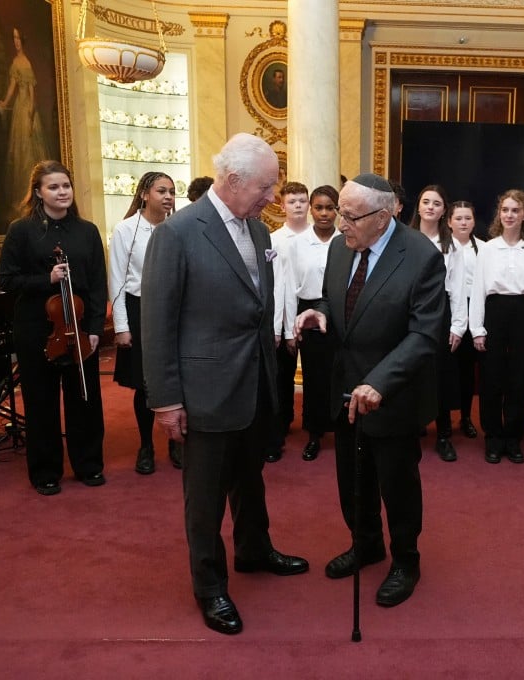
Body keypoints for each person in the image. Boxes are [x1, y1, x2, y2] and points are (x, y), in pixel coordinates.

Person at [141, 133, 308, 636]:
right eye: (265, 186)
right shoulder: (178, 233)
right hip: (203, 390)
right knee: (206, 495)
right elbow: (157, 321)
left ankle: (254, 549)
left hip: (254, 382)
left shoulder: (257, 231)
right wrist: (166, 400)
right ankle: (209, 585)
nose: (272, 197)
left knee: (250, 476)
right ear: (232, 180)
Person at [294, 173, 445, 608]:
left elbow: (424, 335)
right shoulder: (341, 248)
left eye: (350, 216)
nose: (340, 223)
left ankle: (405, 559)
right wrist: (318, 313)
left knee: (396, 483)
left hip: (393, 393)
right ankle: (366, 544)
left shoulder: (421, 256)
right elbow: (334, 299)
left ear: (383, 217)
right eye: (340, 212)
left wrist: (379, 381)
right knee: (352, 477)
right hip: (345, 389)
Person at [0, 161, 107, 496]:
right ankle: (45, 472)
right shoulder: (21, 230)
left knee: (84, 399)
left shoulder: (86, 231)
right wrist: (46, 279)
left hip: (78, 325)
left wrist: (94, 327)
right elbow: (7, 279)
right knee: (41, 401)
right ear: (38, 193)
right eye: (54, 187)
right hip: (35, 328)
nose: (62, 193)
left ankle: (89, 465)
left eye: (66, 186)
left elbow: (98, 285)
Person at [469, 189, 524, 464]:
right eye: (505, 210)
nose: (510, 215)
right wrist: (477, 329)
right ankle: (492, 437)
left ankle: (513, 437)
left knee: (519, 378)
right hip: (494, 312)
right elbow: (478, 289)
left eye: (515, 210)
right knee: (491, 378)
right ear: (499, 214)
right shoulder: (488, 248)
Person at [108, 171, 177, 475]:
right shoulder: (125, 229)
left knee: (176, 379)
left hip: (175, 311)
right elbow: (118, 281)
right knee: (144, 383)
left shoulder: (178, 228)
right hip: (139, 309)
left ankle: (177, 443)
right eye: (162, 190)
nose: (168, 197)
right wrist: (122, 325)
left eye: (172, 192)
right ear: (144, 194)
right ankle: (146, 445)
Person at [409, 185, 466, 462]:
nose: (430, 207)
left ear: (444, 210)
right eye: (426, 202)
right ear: (418, 206)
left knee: (440, 373)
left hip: (440, 312)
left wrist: (457, 326)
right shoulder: (403, 239)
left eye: (437, 203)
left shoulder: (451, 245)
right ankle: (412, 425)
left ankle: (443, 435)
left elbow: (456, 288)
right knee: (410, 370)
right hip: (406, 312)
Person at [284, 185, 340, 461]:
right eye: (319, 207)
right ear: (310, 209)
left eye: (330, 207)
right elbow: (290, 286)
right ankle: (315, 434)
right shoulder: (297, 244)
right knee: (314, 376)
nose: (324, 213)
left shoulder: (346, 241)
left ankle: (342, 428)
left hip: (340, 315)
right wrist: (290, 329)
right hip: (307, 312)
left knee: (339, 374)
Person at [266, 181, 311, 463]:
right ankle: (281, 422)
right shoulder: (273, 240)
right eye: (292, 201)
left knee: (317, 371)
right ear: (282, 206)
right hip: (282, 310)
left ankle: (314, 424)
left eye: (301, 201)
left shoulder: (318, 237)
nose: (297, 205)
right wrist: (279, 325)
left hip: (311, 307)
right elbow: (276, 285)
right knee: (282, 372)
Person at [0, 28, 49, 215]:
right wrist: (5, 102)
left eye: (18, 37)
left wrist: (31, 113)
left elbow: (32, 93)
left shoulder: (24, 63)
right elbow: (12, 87)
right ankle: (23, 198)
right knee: (19, 152)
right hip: (20, 105)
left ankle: (31, 198)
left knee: (28, 151)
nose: (16, 41)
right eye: (14, 38)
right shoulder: (17, 62)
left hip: (25, 108)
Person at [447, 200, 483, 441]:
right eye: (458, 218)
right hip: (447, 309)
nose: (463, 222)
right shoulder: (442, 246)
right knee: (444, 368)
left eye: (467, 218)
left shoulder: (484, 248)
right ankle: (441, 418)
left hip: (476, 309)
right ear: (449, 221)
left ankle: (466, 417)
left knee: (467, 370)